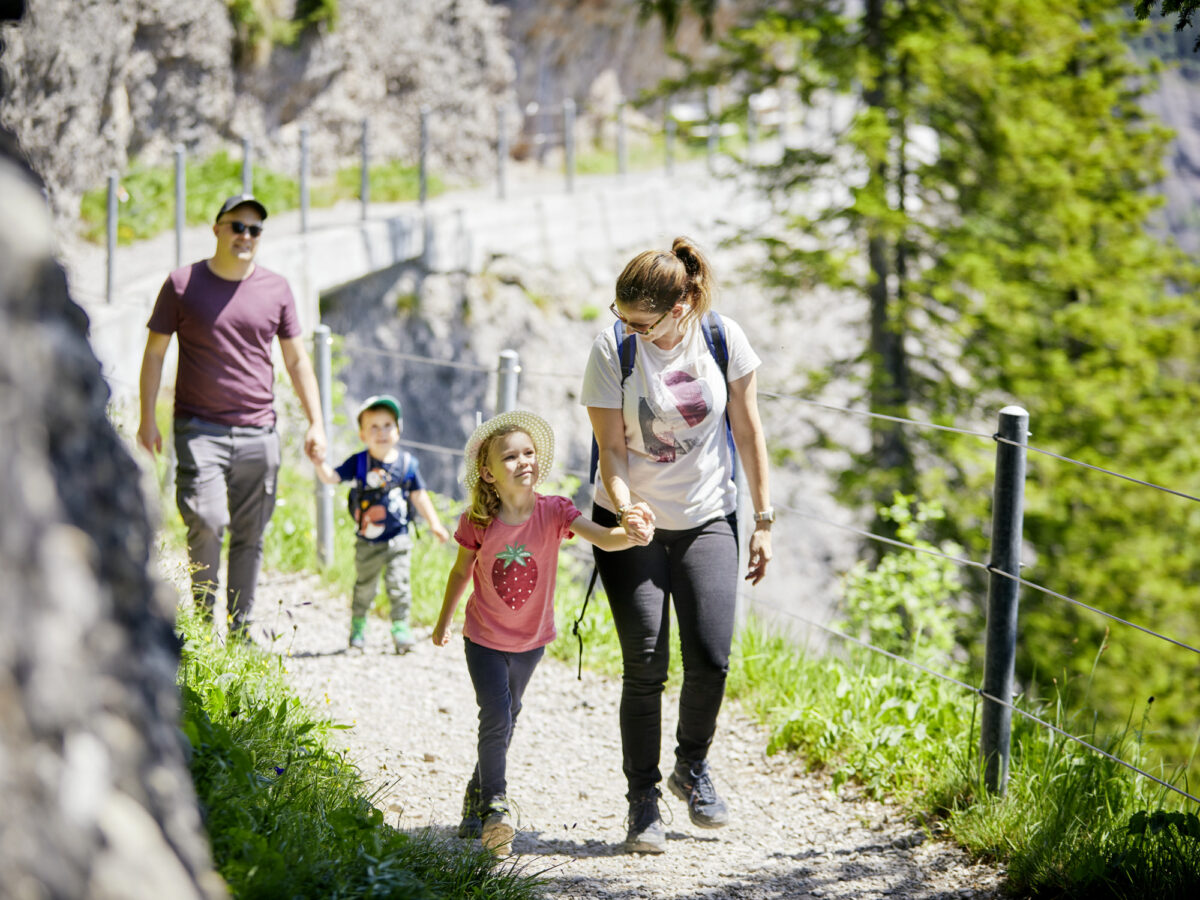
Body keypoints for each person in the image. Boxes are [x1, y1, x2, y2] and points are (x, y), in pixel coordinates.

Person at [581, 235, 774, 854]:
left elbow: (747, 428)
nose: (631, 328)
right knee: (644, 662)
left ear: (682, 306)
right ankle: (643, 800)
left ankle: (692, 766)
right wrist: (626, 501)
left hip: (708, 517)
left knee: (712, 659)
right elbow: (612, 448)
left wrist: (764, 518)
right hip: (628, 523)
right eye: (624, 316)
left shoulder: (722, 338)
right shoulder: (613, 348)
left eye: (644, 320)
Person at [431, 410, 652, 856]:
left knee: (507, 717)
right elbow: (460, 573)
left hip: (532, 642)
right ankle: (496, 807)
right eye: (510, 456)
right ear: (489, 473)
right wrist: (443, 622)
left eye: (528, 453)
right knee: (495, 715)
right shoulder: (477, 520)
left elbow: (605, 539)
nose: (523, 461)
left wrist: (633, 532)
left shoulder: (554, 512)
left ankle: (476, 794)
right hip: (484, 639)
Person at [137, 194, 327, 634]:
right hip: (198, 428)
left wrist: (315, 421)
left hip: (260, 431)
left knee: (249, 535)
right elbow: (154, 355)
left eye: (254, 229)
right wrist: (148, 420)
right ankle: (205, 626)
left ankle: (239, 632)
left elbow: (297, 361)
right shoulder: (182, 284)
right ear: (217, 229)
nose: (245, 235)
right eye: (236, 226)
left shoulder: (276, 288)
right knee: (206, 519)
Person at [314, 393, 450, 652]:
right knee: (365, 586)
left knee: (399, 584)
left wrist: (435, 524)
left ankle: (401, 628)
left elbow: (419, 495)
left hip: (399, 537)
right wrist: (320, 463)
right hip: (367, 541)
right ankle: (358, 627)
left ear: (398, 430)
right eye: (373, 427)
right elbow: (332, 477)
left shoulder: (407, 464)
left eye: (387, 425)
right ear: (362, 434)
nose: (381, 432)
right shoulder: (359, 462)